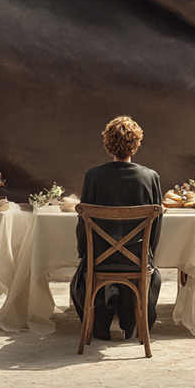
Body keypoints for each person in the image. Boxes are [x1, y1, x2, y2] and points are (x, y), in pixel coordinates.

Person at [69, 115, 163, 341]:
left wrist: (85, 253)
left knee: (82, 276)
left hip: (100, 258)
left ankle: (99, 327)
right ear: (136, 144)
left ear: (107, 144)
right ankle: (132, 324)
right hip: (136, 259)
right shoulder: (151, 177)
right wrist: (148, 254)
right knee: (152, 275)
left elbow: (84, 222)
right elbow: (156, 224)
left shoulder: (93, 176)